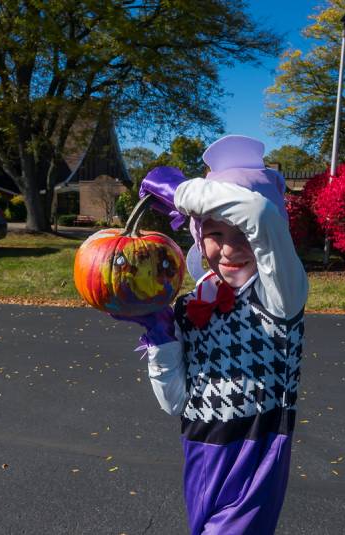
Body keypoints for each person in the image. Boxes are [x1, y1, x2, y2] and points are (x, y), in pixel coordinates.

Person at [113, 135, 308, 534]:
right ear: (199, 236)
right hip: (200, 451)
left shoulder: (279, 297)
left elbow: (261, 214)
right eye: (217, 234)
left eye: (244, 237)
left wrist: (182, 191)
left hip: (254, 454)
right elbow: (175, 403)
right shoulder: (190, 304)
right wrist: (161, 338)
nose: (231, 249)